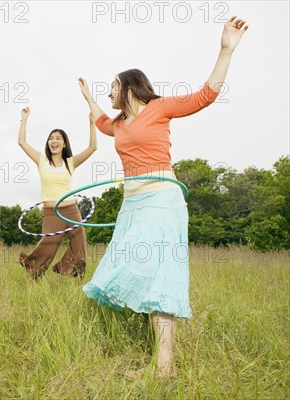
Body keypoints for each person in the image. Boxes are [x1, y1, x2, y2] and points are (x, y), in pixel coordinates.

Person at [79, 17, 248, 378]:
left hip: (161, 199)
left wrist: (225, 49)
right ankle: (159, 359)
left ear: (128, 86)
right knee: (130, 269)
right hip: (132, 205)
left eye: (111, 87)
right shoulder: (119, 124)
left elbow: (206, 95)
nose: (109, 93)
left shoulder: (160, 108)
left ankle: (163, 366)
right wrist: (87, 96)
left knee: (157, 274)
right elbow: (99, 122)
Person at [17, 79, 97, 280]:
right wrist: (24, 119)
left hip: (71, 209)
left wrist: (92, 123)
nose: (54, 141)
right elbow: (21, 142)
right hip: (51, 211)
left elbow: (92, 148)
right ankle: (33, 273)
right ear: (48, 143)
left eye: (58, 139)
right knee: (48, 248)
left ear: (64, 144)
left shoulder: (71, 162)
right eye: (51, 138)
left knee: (80, 251)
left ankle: (75, 280)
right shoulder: (41, 160)